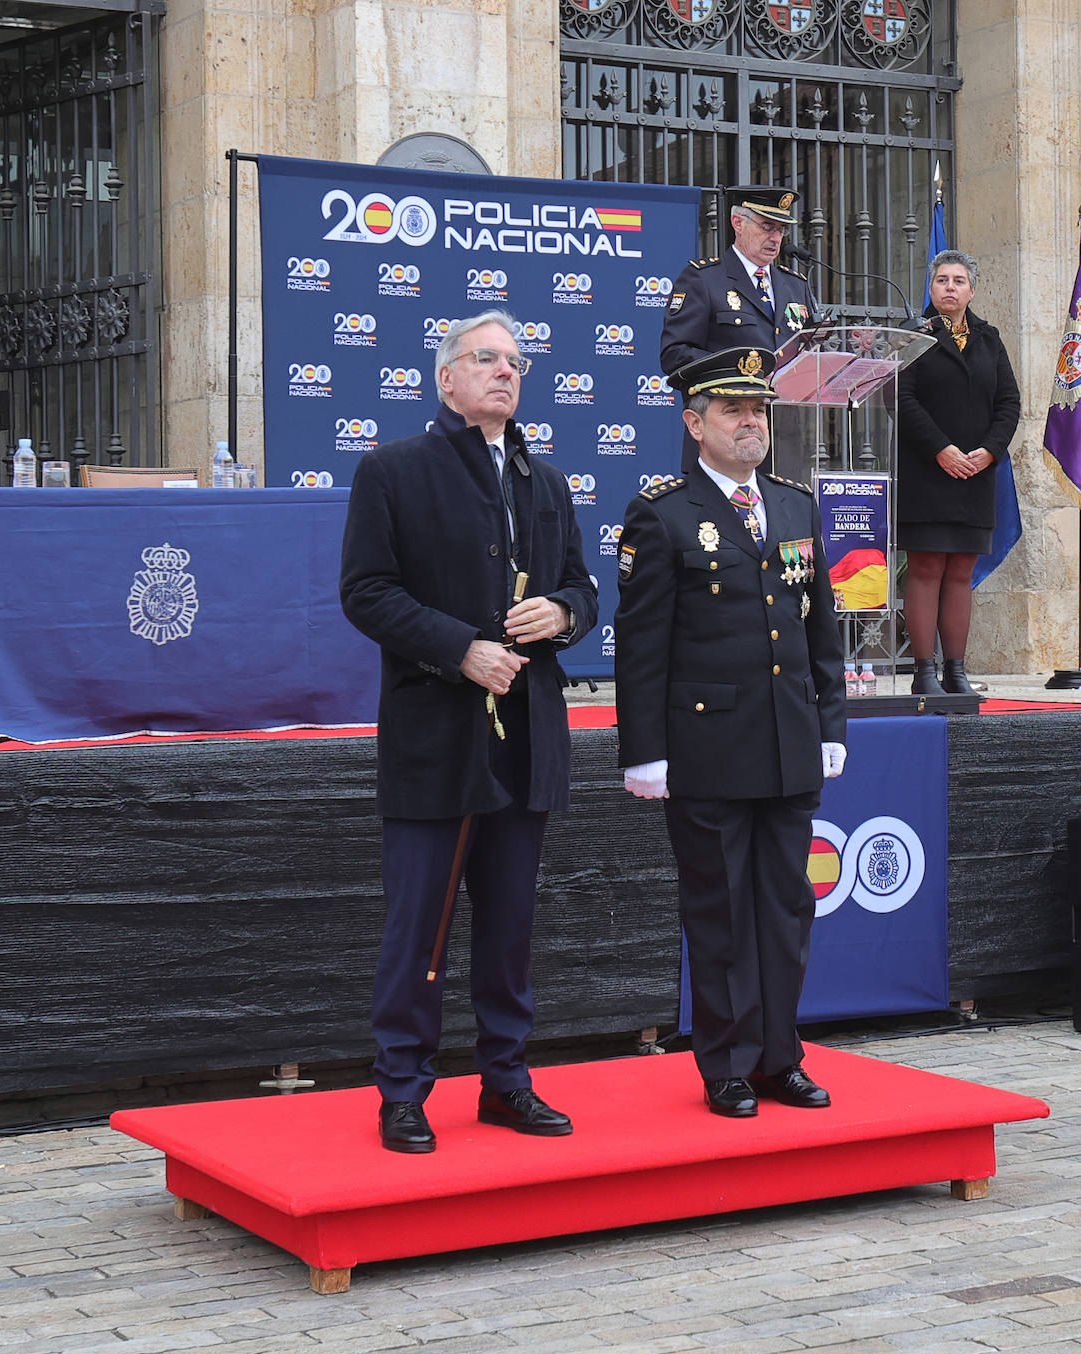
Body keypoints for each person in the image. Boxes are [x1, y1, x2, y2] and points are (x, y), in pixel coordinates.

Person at [339, 309, 598, 1153]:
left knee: (512, 921)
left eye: (516, 361)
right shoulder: (393, 471)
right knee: (420, 922)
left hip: (525, 737)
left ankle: (506, 1079)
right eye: (487, 359)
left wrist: (560, 610)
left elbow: (586, 593)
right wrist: (462, 650)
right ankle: (403, 1089)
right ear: (445, 378)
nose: (505, 372)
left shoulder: (546, 482)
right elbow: (367, 593)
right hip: (436, 736)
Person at [614, 346, 847, 1120]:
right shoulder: (663, 511)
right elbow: (643, 643)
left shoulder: (792, 504)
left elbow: (821, 627)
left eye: (760, 411)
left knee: (786, 911)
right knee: (719, 914)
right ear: (694, 423)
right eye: (732, 411)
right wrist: (644, 750)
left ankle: (781, 1057)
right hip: (708, 750)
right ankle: (726, 1065)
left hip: (788, 744)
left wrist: (830, 720)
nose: (752, 423)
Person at [897, 249, 1021, 695]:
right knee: (927, 567)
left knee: (960, 573)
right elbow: (902, 399)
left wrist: (988, 452)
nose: (950, 287)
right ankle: (924, 672)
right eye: (942, 280)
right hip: (928, 472)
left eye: (958, 281)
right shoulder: (914, 335)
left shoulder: (990, 338)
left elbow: (1009, 403)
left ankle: (956, 671)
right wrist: (941, 450)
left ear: (972, 289)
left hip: (976, 474)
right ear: (930, 289)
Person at [660, 186, 818, 478]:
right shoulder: (703, 279)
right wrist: (744, 372)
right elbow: (675, 354)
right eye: (767, 227)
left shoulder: (795, 285)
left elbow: (810, 351)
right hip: (724, 434)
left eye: (781, 230)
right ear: (738, 223)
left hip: (783, 439)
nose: (775, 238)